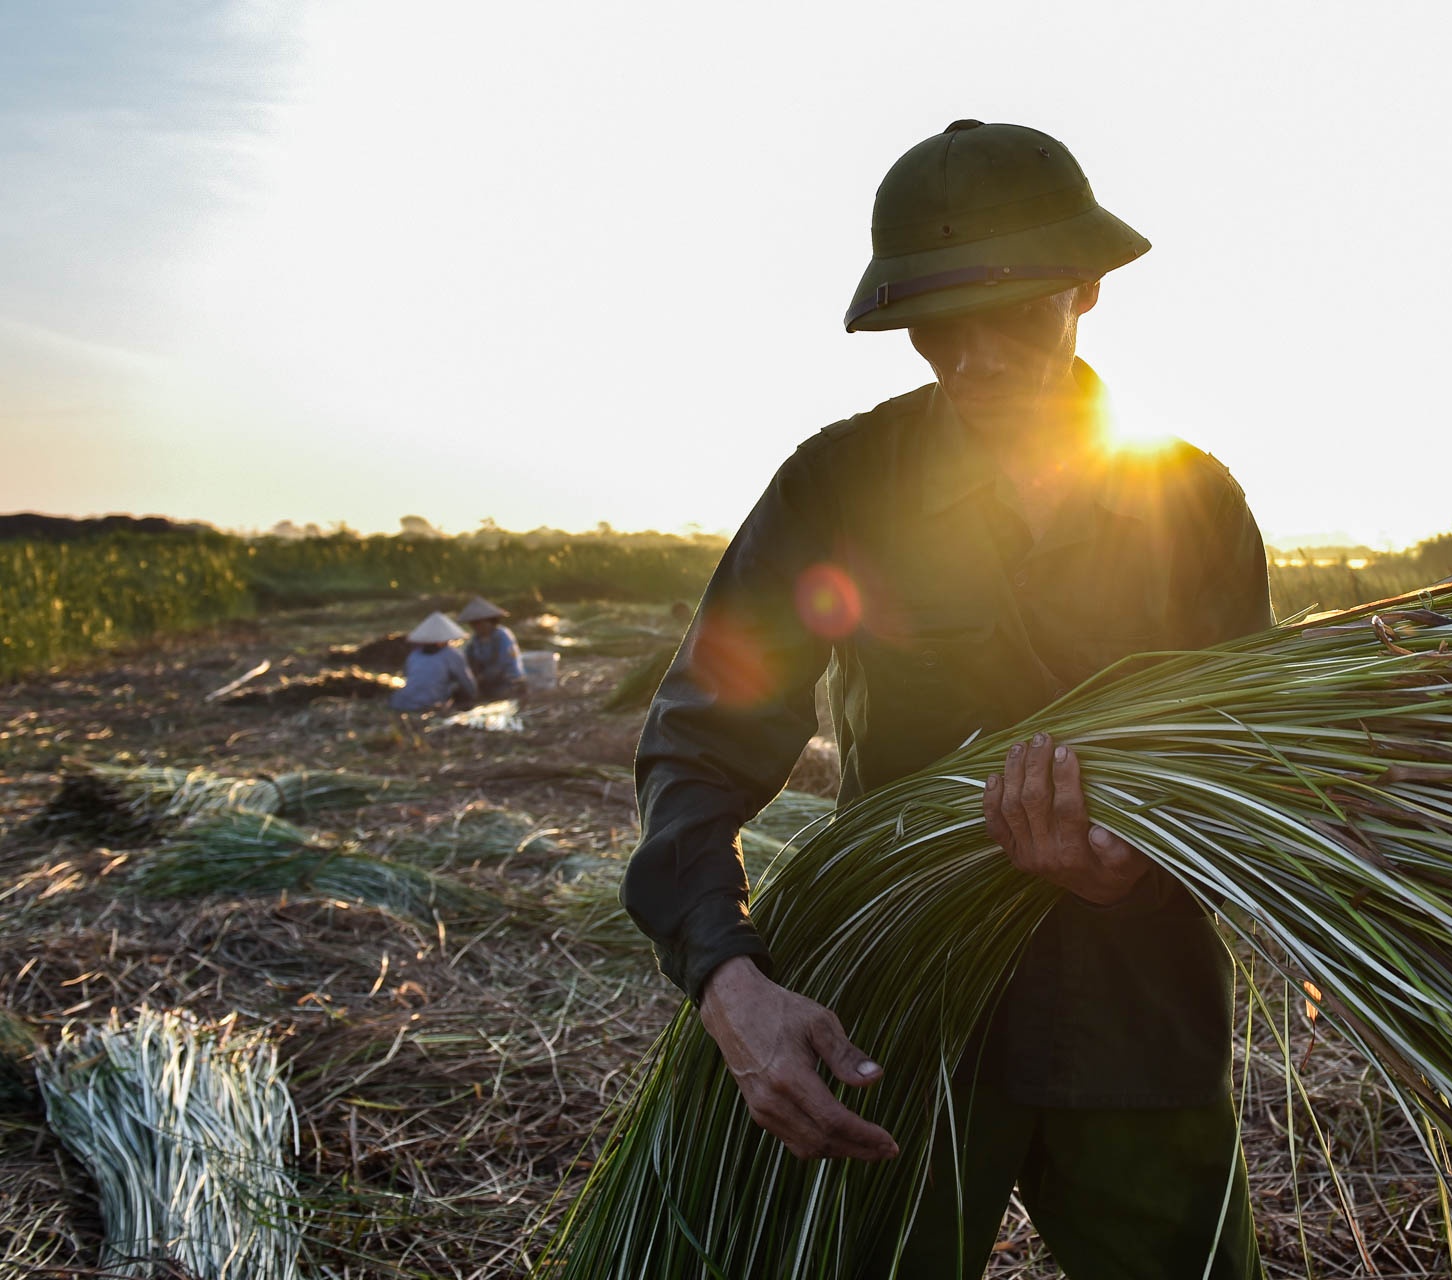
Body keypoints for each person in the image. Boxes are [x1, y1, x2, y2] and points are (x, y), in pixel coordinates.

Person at [623, 120, 1273, 1278]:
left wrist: (1144, 859)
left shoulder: (1193, 502)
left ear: (1085, 287)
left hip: (1137, 1021)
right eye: (934, 329)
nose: (971, 362)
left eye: (1012, 313)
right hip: (898, 1027)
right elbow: (698, 747)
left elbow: (1253, 770)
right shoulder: (837, 486)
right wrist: (728, 980)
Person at [388, 611, 479, 712]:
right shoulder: (451, 654)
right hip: (430, 703)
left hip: (402, 702)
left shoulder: (414, 655)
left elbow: (408, 675)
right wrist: (474, 697)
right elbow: (466, 681)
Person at [457, 596, 525, 699]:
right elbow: (468, 660)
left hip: (508, 681)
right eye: (474, 624)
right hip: (488, 682)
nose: (477, 627)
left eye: (480, 623)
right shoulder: (476, 640)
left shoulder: (502, 636)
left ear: (491, 621)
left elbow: (503, 663)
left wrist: (483, 677)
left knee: (495, 695)